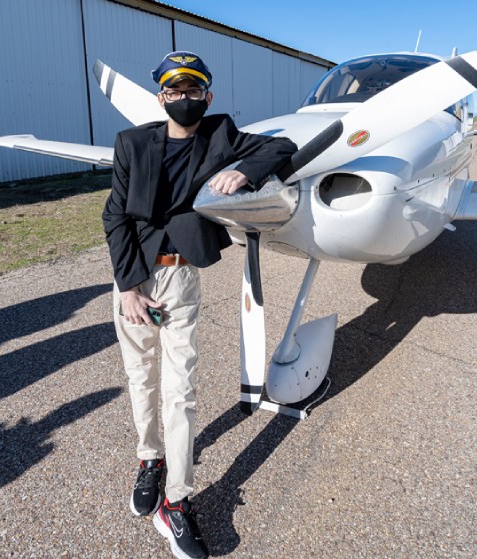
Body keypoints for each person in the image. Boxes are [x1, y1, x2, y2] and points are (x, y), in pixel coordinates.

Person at [102, 51, 296, 559]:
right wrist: (128, 288)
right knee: (140, 377)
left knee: (180, 389)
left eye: (192, 91)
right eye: (173, 91)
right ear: (161, 96)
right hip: (133, 279)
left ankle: (177, 501)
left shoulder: (221, 134)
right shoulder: (131, 143)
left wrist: (244, 171)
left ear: (206, 96)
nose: (183, 99)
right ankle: (150, 459)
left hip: (181, 276)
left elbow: (284, 144)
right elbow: (115, 218)